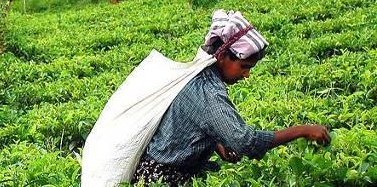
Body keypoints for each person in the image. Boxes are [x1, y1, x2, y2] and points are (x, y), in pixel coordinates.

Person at [131, 10, 330, 186]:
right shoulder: (208, 91)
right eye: (244, 67)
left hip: (162, 169)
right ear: (223, 56)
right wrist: (302, 130)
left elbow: (189, 122)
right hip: (162, 178)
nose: (246, 75)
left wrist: (216, 143)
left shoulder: (199, 74)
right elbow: (245, 141)